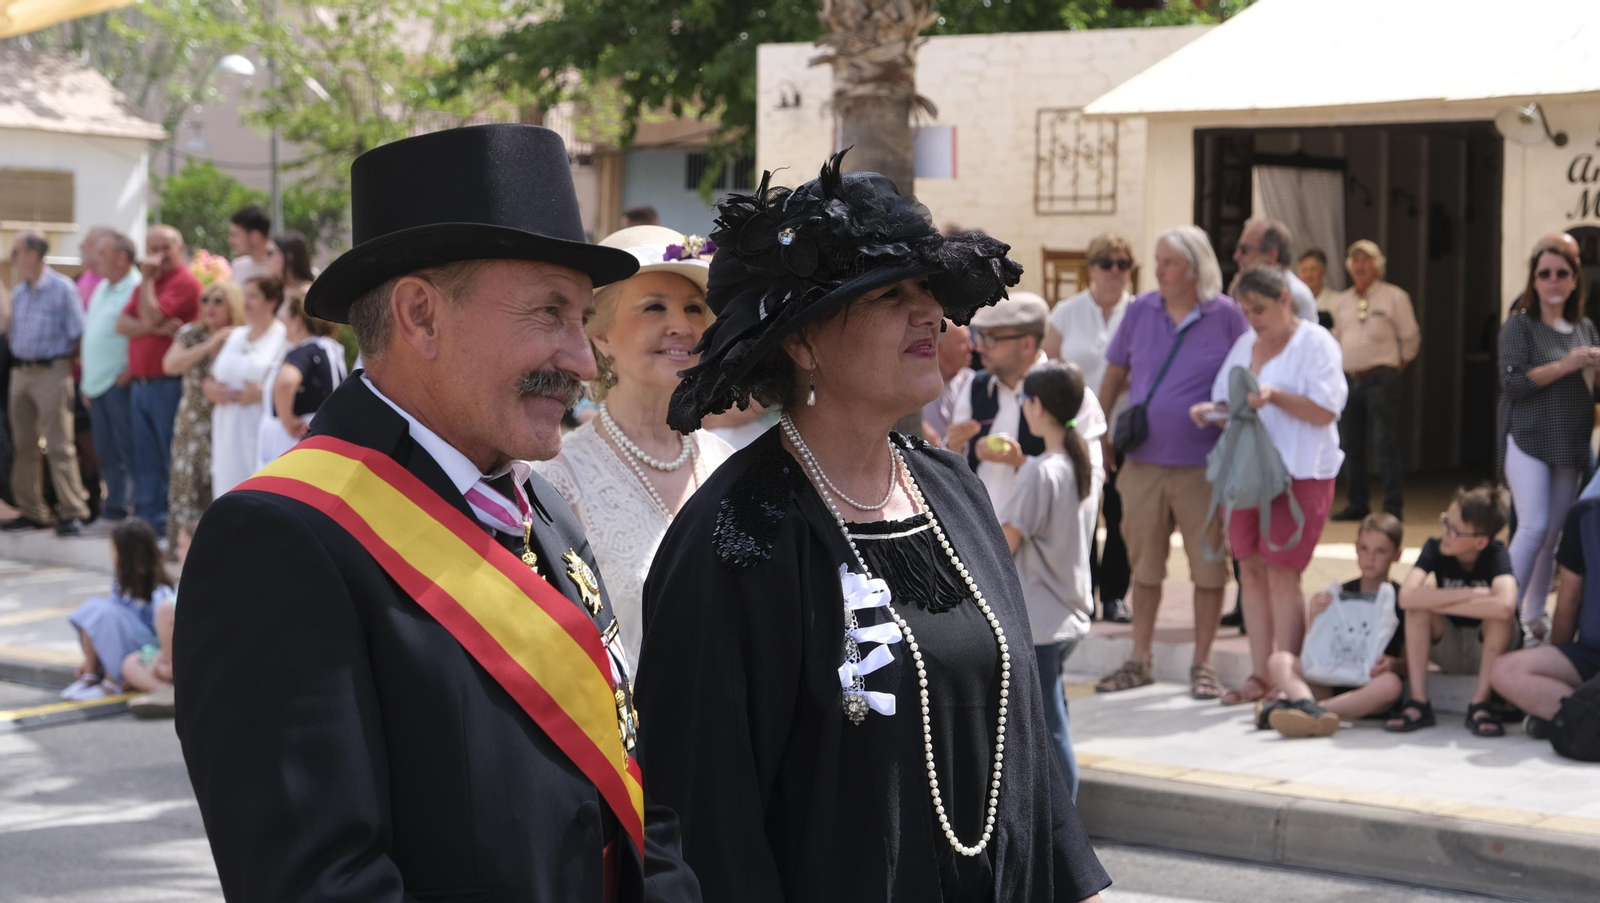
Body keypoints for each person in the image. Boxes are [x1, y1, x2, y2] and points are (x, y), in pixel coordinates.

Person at [174, 124, 699, 903]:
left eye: (582, 318)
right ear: (420, 315)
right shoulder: (277, 541)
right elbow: (324, 884)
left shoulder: (543, 508)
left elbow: (635, 802)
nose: (584, 359)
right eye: (550, 313)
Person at [637, 152, 1109, 903]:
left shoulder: (953, 490)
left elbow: (1023, 751)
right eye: (891, 294)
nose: (930, 314)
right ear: (802, 341)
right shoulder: (738, 532)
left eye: (928, 290)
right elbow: (704, 819)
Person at [532, 226, 732, 663]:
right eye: (654, 307)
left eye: (693, 308)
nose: (681, 326)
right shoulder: (558, 481)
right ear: (602, 335)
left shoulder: (730, 465)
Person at [1094, 226, 1248, 699]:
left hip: (1205, 467)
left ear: (1195, 269)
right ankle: (1139, 658)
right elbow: (1114, 374)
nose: (1157, 270)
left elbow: (1249, 377)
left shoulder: (1228, 316)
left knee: (1209, 569)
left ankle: (1203, 664)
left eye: (1169, 262)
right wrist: (1100, 433)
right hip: (1143, 464)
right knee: (1144, 567)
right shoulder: (1141, 310)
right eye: (1158, 260)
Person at [1189, 265, 1346, 705]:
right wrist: (1210, 412)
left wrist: (1276, 396)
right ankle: (1261, 675)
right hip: (1247, 474)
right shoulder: (1245, 344)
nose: (1252, 318)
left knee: (1282, 573)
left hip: (1300, 473)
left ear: (1284, 299)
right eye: (1246, 310)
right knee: (1251, 571)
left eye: (1259, 308)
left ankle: (1287, 677)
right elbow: (1230, 403)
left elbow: (1326, 410)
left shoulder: (1316, 343)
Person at [1001, 360, 1100, 799]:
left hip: (1039, 619)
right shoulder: (1080, 465)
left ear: (1037, 406)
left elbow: (1006, 543)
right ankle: (1060, 819)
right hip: (1068, 613)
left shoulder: (1040, 471)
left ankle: (1066, 824)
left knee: (1050, 729)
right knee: (1054, 719)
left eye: (1026, 400)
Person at [1496, 240, 1600, 645]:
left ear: (1575, 281)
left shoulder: (1585, 328)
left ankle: (1534, 615)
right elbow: (1513, 382)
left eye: (1562, 274)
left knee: (1554, 533)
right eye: (1544, 274)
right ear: (1533, 281)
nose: (1553, 281)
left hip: (1570, 443)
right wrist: (1565, 365)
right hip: (1529, 438)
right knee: (1534, 525)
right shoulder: (1520, 325)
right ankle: (1502, 615)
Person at [945, 292, 1107, 517]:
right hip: (980, 531)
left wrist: (1022, 463)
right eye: (979, 336)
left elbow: (1088, 483)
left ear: (1027, 344)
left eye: (990, 339)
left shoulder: (1072, 395)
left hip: (1038, 535)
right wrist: (953, 447)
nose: (979, 347)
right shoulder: (973, 387)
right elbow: (953, 470)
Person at [1046, 232, 1135, 622]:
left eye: (1123, 263)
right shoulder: (1066, 312)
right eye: (1106, 263)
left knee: (1120, 516)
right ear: (1091, 268)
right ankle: (1083, 595)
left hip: (1126, 432)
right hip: (1077, 431)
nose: (1114, 271)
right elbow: (1048, 368)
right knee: (1080, 514)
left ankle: (1114, 596)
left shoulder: (1141, 312)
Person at [1384, 487, 1518, 736]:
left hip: (1485, 648)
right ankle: (1418, 702)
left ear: (1480, 541)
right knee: (1416, 610)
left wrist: (1434, 599)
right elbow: (1406, 597)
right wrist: (1469, 593)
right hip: (1448, 645)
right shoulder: (1434, 547)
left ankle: (1480, 703)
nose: (1444, 532)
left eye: (1454, 530)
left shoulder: (1496, 554)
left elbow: (1505, 605)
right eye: (1445, 522)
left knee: (1499, 618)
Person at [1259, 513, 1407, 738]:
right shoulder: (1338, 593)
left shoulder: (1401, 599)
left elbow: (1409, 663)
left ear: (1397, 554)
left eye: (1381, 551)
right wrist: (1314, 615)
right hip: (1327, 680)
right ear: (1355, 548)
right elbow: (1316, 648)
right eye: (1364, 549)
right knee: (1280, 660)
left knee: (1391, 685)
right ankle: (1309, 706)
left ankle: (1309, 710)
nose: (1370, 558)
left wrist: (1393, 664)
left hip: (1366, 688)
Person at [4, 231, 91, 535]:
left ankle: (73, 511)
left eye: (15, 252)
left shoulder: (62, 288)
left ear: (32, 255)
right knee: (24, 444)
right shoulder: (19, 292)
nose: (12, 259)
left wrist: (68, 368)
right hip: (21, 372)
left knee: (59, 443)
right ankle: (32, 511)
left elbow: (78, 333)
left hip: (52, 371)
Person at [118, 224, 202, 537]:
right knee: (145, 456)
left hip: (168, 384)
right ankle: (148, 519)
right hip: (142, 385)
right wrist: (153, 328)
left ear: (180, 250)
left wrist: (148, 283)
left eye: (165, 248)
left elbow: (148, 316)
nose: (159, 255)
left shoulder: (184, 283)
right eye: (153, 248)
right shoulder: (149, 284)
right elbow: (121, 324)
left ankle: (171, 522)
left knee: (169, 455)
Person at [1493, 497, 1600, 738]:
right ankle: (1579, 720)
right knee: (1505, 671)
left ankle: (1571, 721)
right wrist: (1558, 651)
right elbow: (1568, 599)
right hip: (1590, 655)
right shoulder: (1585, 514)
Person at [1330, 239, 1419, 521]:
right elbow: (1336, 338)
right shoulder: (1341, 301)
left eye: (1365, 260)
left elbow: (1410, 338)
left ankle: (1392, 506)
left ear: (1377, 266)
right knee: (1350, 444)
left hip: (1382, 379)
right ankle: (1358, 503)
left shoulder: (1395, 297)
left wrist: (1394, 368)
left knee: (1385, 444)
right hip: (1349, 380)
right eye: (1355, 261)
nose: (1360, 266)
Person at [162, 281, 243, 551]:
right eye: (205, 300)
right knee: (187, 486)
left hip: (228, 422)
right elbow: (170, 365)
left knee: (220, 485)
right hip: (192, 423)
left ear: (233, 305)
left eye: (218, 301)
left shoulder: (241, 336)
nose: (210, 306)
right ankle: (184, 549)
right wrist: (208, 345)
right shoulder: (192, 333)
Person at [57, 518, 176, 700]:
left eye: (113, 549)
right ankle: (90, 674)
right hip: (127, 641)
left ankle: (111, 684)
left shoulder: (159, 590)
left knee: (103, 613)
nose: (111, 554)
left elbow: (161, 636)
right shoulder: (121, 583)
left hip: (147, 647)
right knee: (96, 609)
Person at [205, 276, 287, 495]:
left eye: (253, 296)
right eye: (245, 296)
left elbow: (291, 385)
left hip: (258, 427)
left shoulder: (283, 337)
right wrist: (211, 389)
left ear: (271, 302)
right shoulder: (235, 335)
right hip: (226, 428)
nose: (246, 302)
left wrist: (264, 393)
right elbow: (211, 377)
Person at [81, 230, 141, 523]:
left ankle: (132, 508)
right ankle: (115, 508)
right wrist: (86, 381)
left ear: (121, 257)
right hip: (96, 385)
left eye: (102, 253)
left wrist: (131, 370)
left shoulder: (136, 287)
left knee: (127, 450)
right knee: (106, 451)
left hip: (119, 383)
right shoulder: (103, 287)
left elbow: (141, 333)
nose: (96, 259)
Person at [256, 290, 349, 466]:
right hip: (323, 430)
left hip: (292, 439)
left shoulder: (304, 352)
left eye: (285, 317)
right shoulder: (329, 349)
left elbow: (286, 382)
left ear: (296, 321)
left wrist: (288, 419)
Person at [1230, 218, 1316, 323]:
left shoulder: (1296, 295)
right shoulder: (1241, 288)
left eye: (1244, 250)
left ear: (1271, 255)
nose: (1236, 256)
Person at [920, 318, 973, 447]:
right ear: (939, 348)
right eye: (963, 342)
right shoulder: (914, 384)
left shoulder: (975, 384)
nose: (971, 347)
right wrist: (918, 425)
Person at [265, 231, 316, 305]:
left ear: (289, 256)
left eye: (270, 253)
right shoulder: (273, 292)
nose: (265, 258)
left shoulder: (307, 294)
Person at [227, 205, 274, 285]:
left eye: (235, 234)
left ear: (255, 236)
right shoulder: (238, 266)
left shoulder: (280, 269)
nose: (230, 241)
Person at [1298, 249, 1337, 326]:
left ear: (1323, 271)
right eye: (1304, 270)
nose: (1308, 275)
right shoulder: (1293, 303)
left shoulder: (1337, 300)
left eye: (1313, 269)